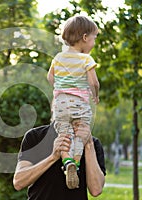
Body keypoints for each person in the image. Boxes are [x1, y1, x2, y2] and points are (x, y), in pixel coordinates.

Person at [47, 15, 100, 189]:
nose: (93, 43)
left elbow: (50, 77)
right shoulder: (86, 59)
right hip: (80, 104)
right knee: (80, 132)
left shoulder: (58, 58)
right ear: (85, 38)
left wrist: (61, 89)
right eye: (94, 38)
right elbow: (94, 83)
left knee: (64, 132)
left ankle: (66, 160)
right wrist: (95, 95)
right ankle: (75, 164)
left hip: (61, 103)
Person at [13, 122, 105, 200]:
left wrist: (88, 144)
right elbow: (19, 182)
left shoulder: (93, 143)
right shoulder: (35, 136)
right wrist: (53, 157)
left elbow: (96, 190)